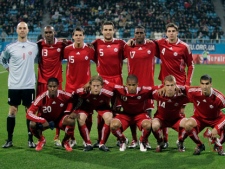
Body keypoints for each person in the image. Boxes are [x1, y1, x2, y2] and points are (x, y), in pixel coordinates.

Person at [154, 22, 195, 148]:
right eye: (169, 31)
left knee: (180, 112)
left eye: (173, 31)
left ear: (177, 32)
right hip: (165, 84)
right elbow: (146, 43)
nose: (171, 33)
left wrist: (187, 84)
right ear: (166, 33)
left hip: (180, 85)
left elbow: (191, 65)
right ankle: (165, 141)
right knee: (163, 110)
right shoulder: (161, 43)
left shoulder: (184, 47)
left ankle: (180, 140)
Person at [0, 22, 38, 148]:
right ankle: (9, 139)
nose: (22, 30)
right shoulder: (10, 47)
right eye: (20, 28)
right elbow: (2, 58)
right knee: (12, 110)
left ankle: (30, 139)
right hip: (14, 85)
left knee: (30, 112)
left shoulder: (34, 46)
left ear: (28, 30)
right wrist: (8, 68)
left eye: (24, 28)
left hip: (28, 85)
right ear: (17, 30)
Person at [37, 25, 72, 146]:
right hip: (42, 82)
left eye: (50, 32)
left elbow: (74, 44)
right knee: (40, 109)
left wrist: (67, 40)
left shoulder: (61, 44)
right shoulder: (39, 44)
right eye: (46, 32)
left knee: (59, 109)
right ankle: (40, 136)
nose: (48, 34)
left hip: (56, 83)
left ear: (54, 33)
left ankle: (57, 137)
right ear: (43, 33)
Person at [92, 21, 126, 147]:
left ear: (113, 30)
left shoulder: (120, 43)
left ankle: (119, 137)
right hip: (103, 81)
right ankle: (100, 139)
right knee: (101, 110)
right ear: (102, 31)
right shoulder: (97, 43)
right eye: (105, 29)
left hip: (117, 79)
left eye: (110, 29)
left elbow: (130, 48)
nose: (107, 31)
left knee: (117, 109)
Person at [123, 25, 157, 149]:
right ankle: (134, 139)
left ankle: (145, 140)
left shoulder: (152, 45)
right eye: (137, 33)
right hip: (133, 86)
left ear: (145, 34)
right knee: (133, 113)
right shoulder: (128, 47)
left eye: (141, 32)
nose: (139, 35)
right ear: (134, 34)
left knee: (148, 113)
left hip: (148, 87)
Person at [63, 27, 95, 147]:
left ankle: (86, 136)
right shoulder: (67, 50)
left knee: (88, 115)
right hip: (70, 87)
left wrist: (91, 82)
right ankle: (72, 138)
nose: (78, 37)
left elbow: (99, 63)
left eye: (80, 35)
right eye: (76, 35)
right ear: (73, 36)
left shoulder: (89, 50)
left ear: (84, 36)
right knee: (71, 115)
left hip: (85, 88)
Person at [26, 77, 76, 152]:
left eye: (54, 86)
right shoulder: (41, 97)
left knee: (71, 121)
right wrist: (42, 120)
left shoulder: (63, 94)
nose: (52, 89)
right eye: (50, 86)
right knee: (32, 124)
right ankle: (41, 139)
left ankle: (65, 141)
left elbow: (76, 99)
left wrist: (72, 111)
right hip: (45, 122)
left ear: (58, 86)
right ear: (47, 86)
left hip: (59, 120)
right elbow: (29, 113)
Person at [110, 75, 154, 152]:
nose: (131, 87)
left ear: (137, 84)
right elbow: (107, 84)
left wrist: (164, 88)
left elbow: (155, 88)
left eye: (133, 85)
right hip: (126, 115)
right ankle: (123, 140)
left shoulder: (143, 90)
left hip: (140, 114)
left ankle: (142, 141)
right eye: (129, 85)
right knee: (113, 125)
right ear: (126, 84)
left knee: (148, 125)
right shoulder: (121, 89)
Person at [184, 74, 225, 156]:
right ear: (200, 84)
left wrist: (217, 128)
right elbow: (181, 89)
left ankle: (218, 144)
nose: (204, 86)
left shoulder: (219, 98)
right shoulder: (194, 92)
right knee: (187, 125)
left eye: (207, 84)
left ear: (211, 84)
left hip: (216, 119)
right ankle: (200, 145)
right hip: (199, 118)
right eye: (202, 84)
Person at [74, 76, 113, 152]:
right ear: (90, 85)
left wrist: (115, 109)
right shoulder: (84, 91)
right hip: (87, 106)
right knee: (80, 118)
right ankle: (88, 143)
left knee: (109, 118)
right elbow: (74, 93)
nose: (96, 88)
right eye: (94, 86)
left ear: (102, 86)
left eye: (98, 86)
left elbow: (116, 95)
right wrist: (74, 110)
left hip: (102, 106)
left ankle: (102, 144)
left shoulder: (107, 92)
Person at [151, 75, 190, 152]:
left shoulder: (181, 95)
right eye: (167, 85)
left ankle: (180, 142)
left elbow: (192, 92)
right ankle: (160, 142)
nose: (170, 88)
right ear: (164, 86)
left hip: (176, 120)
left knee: (189, 124)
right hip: (161, 119)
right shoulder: (158, 93)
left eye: (172, 85)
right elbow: (147, 90)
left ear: (176, 85)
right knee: (154, 125)